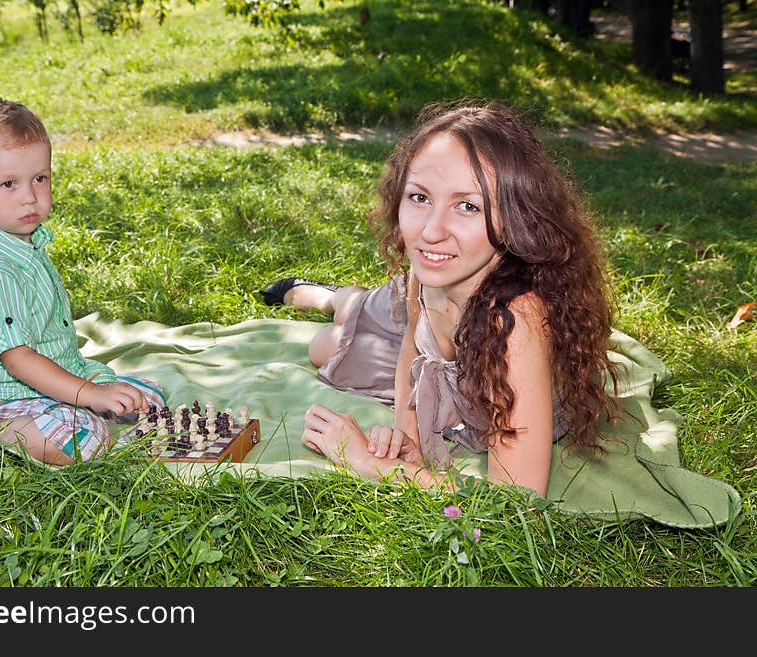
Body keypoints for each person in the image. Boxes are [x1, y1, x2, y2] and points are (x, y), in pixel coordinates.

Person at [260, 99, 620, 497]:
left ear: (516, 216)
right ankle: (334, 298)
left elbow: (516, 499)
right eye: (419, 197)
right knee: (331, 339)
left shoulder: (515, 320)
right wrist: (405, 437)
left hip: (473, 354)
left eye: (467, 206)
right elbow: (411, 349)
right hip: (419, 304)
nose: (432, 231)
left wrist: (368, 462)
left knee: (327, 348)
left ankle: (346, 301)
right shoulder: (428, 269)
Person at [0, 96, 165, 466]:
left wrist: (93, 388)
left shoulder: (23, 241)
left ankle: (76, 408)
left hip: (63, 369)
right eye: (8, 184)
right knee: (83, 442)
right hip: (10, 392)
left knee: (148, 399)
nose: (30, 197)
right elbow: (18, 361)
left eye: (39, 178)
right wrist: (89, 394)